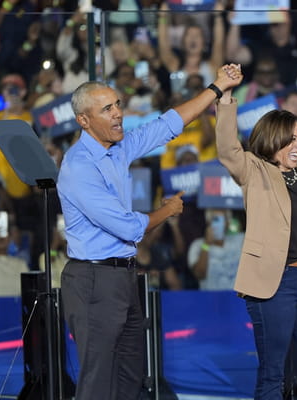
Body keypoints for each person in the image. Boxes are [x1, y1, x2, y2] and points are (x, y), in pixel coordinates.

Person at [57, 64, 241, 400]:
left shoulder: (119, 146)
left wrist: (216, 87)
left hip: (123, 277)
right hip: (94, 281)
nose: (118, 115)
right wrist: (167, 211)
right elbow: (127, 226)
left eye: (117, 105)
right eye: (107, 109)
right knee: (98, 380)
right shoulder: (78, 167)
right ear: (83, 120)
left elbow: (168, 124)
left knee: (130, 375)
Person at [215, 64, 297, 399]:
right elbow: (227, 149)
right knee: (273, 375)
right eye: (292, 138)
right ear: (273, 137)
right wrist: (227, 96)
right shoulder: (254, 170)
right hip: (273, 285)